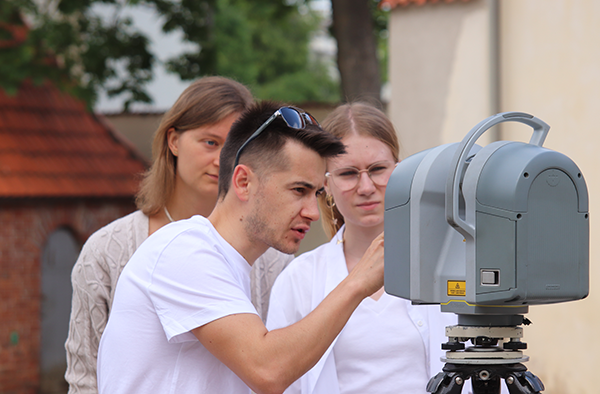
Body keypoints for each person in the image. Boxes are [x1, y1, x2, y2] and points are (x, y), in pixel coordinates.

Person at [96, 101, 386, 394]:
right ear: (243, 182)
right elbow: (267, 370)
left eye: (317, 193)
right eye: (299, 190)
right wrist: (358, 283)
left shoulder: (224, 262)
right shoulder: (185, 251)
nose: (313, 210)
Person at [64, 77, 293, 394]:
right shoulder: (107, 250)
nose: (222, 160)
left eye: (235, 148)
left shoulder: (272, 259)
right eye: (210, 143)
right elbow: (85, 378)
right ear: (173, 140)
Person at [266, 102, 457, 394]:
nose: (366, 186)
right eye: (348, 173)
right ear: (325, 184)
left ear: (400, 171)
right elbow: (278, 381)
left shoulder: (448, 266)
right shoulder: (299, 280)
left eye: (378, 169)